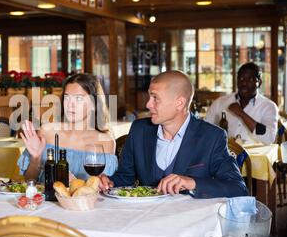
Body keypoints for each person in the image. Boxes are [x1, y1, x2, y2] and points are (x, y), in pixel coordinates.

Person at [99, 70, 248, 198]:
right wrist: (110, 182)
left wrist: (192, 183)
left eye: (155, 98)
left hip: (190, 224)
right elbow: (125, 178)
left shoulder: (212, 137)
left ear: (180, 103)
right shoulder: (139, 130)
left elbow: (237, 188)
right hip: (146, 219)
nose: (148, 104)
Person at [18, 73, 117, 182]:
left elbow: (103, 187)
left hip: (84, 199)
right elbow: (29, 179)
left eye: (79, 98)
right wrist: (35, 158)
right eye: (67, 97)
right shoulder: (47, 132)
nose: (70, 105)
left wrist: (77, 184)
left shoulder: (106, 142)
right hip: (45, 198)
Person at [205, 62, 278, 145]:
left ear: (259, 82)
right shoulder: (220, 103)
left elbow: (269, 138)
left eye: (249, 79)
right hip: (224, 155)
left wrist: (241, 114)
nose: (244, 83)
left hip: (254, 156)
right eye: (241, 79)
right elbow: (205, 130)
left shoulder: (269, 107)